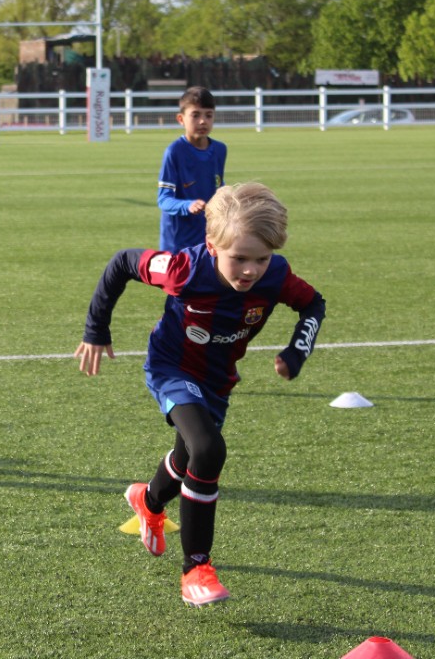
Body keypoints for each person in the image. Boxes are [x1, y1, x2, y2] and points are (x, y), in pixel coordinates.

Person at [74, 182, 326, 606]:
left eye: (261, 259)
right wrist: (96, 330)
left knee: (187, 459)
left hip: (216, 379)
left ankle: (148, 501)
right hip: (172, 368)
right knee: (209, 448)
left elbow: (314, 305)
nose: (250, 271)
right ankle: (196, 569)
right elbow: (121, 264)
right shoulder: (182, 270)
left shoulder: (277, 276)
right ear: (212, 245)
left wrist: (296, 352)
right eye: (239, 259)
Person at [157, 86, 226, 252]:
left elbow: (217, 185)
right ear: (181, 119)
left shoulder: (220, 149)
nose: (203, 121)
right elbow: (164, 200)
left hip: (209, 238)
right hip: (178, 242)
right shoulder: (174, 152)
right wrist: (188, 205)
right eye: (195, 115)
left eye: (208, 115)